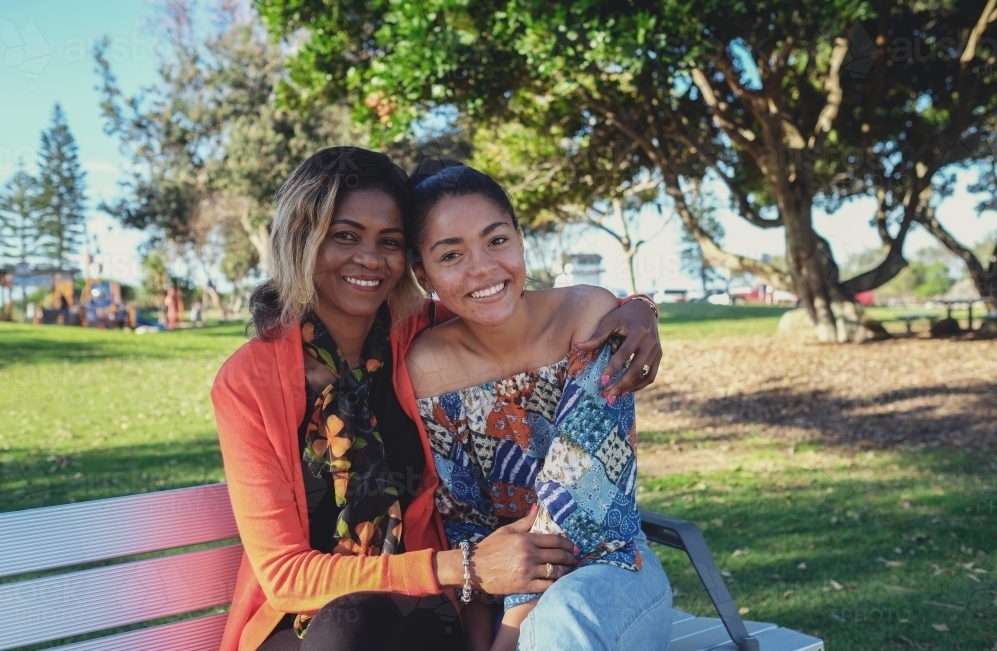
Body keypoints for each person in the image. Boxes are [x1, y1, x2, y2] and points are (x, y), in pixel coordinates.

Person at [211, 147, 664, 651]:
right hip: (311, 613)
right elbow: (284, 574)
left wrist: (638, 309)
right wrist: (463, 567)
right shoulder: (249, 384)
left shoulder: (417, 336)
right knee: (343, 629)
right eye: (345, 236)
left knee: (351, 628)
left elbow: (508, 311)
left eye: (389, 241)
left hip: (414, 611)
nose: (370, 259)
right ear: (302, 239)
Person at [405, 162, 673, 651]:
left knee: (557, 624)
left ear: (521, 239)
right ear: (423, 275)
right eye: (451, 254)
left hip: (611, 567)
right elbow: (466, 522)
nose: (483, 267)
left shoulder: (587, 317)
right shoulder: (428, 366)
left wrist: (508, 637)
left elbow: (579, 497)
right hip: (501, 587)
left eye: (497, 240)